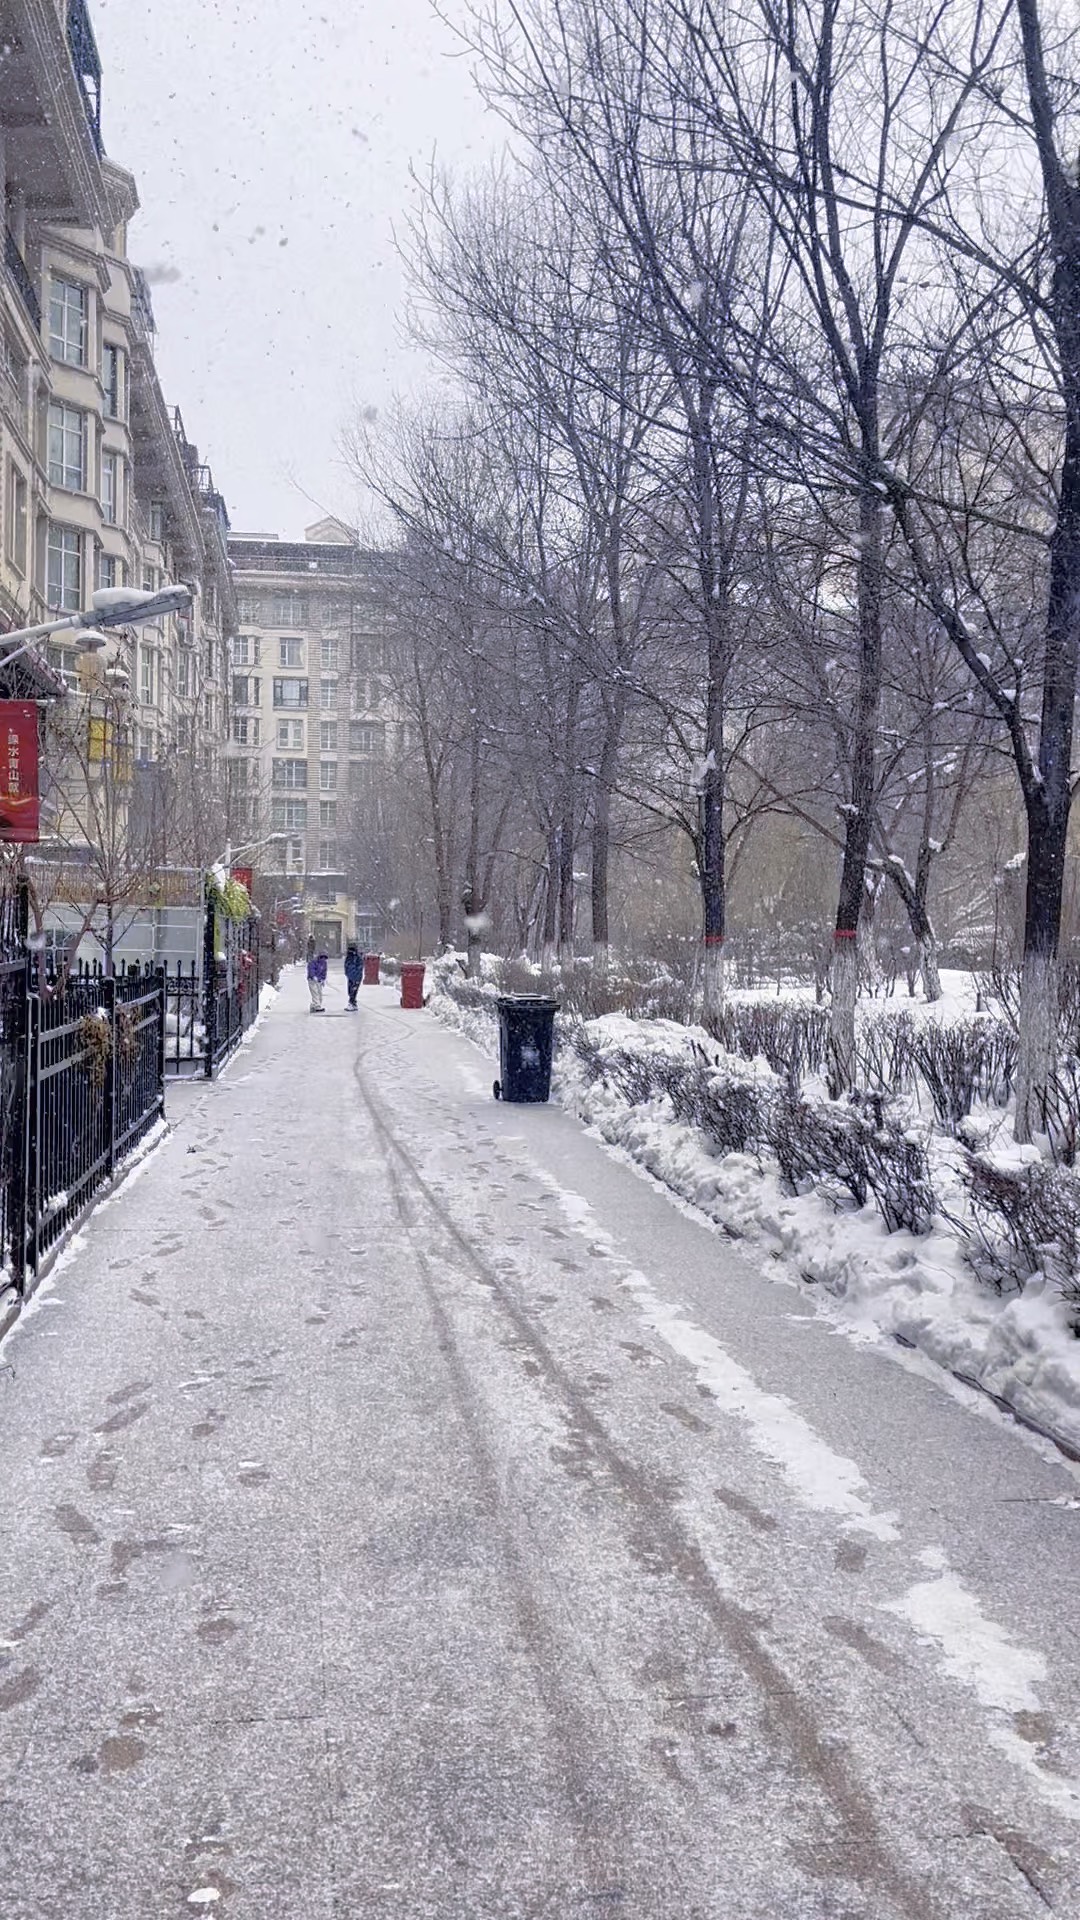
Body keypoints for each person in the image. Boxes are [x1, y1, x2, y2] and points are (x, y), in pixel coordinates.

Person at [343, 941, 363, 1009]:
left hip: (356, 976)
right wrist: (347, 973)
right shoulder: (349, 957)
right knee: (350, 990)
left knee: (353, 990)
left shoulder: (357, 957)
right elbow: (346, 965)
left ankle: (351, 1002)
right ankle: (353, 1002)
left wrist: (356, 975)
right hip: (350, 976)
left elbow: (360, 967)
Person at [307, 948, 328, 1012]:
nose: (323, 959)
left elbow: (324, 972)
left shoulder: (324, 963)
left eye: (324, 957)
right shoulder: (313, 962)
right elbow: (311, 969)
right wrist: (313, 976)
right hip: (312, 980)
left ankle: (314, 1005)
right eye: (322, 957)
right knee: (315, 993)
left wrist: (323, 979)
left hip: (319, 980)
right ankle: (316, 1006)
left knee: (319, 993)